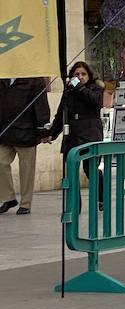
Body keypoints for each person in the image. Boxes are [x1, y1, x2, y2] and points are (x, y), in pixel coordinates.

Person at [46, 62, 107, 201]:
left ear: (89, 75)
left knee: (90, 170)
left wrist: (79, 87)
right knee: (71, 171)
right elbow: (61, 113)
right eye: (76, 74)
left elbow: (94, 101)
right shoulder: (69, 91)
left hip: (90, 133)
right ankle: (74, 204)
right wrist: (51, 134)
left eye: (83, 74)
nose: (80, 77)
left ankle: (102, 197)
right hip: (72, 134)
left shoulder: (95, 88)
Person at [0, 76, 51, 216]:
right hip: (5, 132)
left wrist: (44, 131)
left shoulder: (35, 80)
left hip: (26, 132)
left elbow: (41, 105)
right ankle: (8, 198)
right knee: (0, 162)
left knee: (26, 170)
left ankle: (25, 204)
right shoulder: (2, 78)